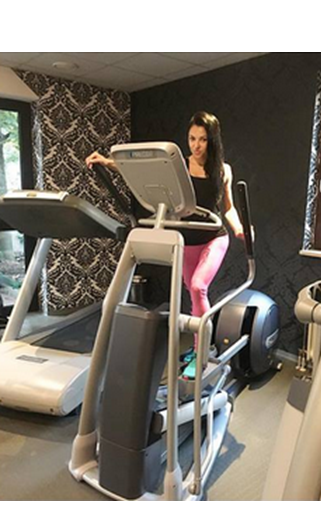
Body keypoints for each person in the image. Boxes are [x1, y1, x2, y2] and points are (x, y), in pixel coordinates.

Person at [86, 111, 246, 379]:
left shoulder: (223, 170)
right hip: (186, 240)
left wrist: (240, 228)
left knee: (198, 287)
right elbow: (139, 170)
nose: (196, 145)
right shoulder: (179, 166)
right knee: (192, 293)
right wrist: (105, 161)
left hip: (213, 236)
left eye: (202, 139)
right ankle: (198, 346)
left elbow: (227, 208)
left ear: (212, 140)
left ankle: (200, 353)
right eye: (192, 138)